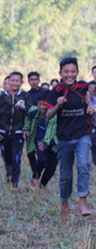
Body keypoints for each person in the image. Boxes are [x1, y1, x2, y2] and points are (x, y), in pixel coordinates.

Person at [46, 57, 93, 220]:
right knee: (66, 175)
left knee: (83, 164)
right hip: (64, 138)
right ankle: (65, 203)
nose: (70, 74)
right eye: (66, 71)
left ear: (77, 72)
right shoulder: (56, 91)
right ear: (60, 73)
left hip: (82, 135)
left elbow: (86, 96)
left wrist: (90, 105)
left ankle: (82, 200)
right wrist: (58, 105)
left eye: (73, 71)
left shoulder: (82, 86)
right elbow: (48, 114)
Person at [0, 72, 32, 189]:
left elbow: (31, 113)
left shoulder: (25, 96)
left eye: (17, 81)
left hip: (18, 133)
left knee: (16, 157)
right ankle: (9, 173)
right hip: (3, 133)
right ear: (8, 82)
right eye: (12, 80)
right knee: (6, 156)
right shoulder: (2, 97)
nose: (14, 83)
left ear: (21, 82)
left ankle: (15, 183)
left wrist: (24, 108)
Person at [23, 91, 58, 189]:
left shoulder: (54, 113)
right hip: (39, 139)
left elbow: (51, 127)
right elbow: (27, 118)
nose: (42, 107)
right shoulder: (34, 111)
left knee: (52, 167)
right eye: (40, 104)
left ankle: (43, 185)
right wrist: (26, 129)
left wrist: (46, 142)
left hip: (54, 142)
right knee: (42, 159)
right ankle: (35, 176)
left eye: (45, 104)